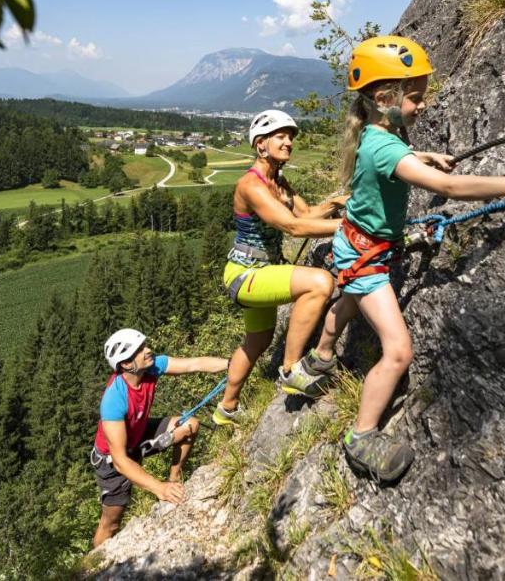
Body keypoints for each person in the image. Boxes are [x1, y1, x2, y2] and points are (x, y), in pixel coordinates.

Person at [311, 36, 505, 484]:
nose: (423, 104)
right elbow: (448, 190)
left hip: (356, 245)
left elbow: (392, 157)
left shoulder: (380, 134)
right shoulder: (385, 147)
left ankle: (321, 354)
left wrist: (423, 156)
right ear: (384, 98)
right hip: (366, 259)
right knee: (398, 351)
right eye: (415, 97)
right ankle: (361, 436)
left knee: (348, 300)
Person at [213, 109, 349, 425]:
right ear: (261, 144)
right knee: (319, 283)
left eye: (291, 137)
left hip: (257, 274)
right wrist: (348, 225)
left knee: (258, 341)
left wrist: (339, 203)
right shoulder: (251, 185)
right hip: (246, 275)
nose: (288, 142)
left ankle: (227, 409)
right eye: (280, 136)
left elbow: (308, 213)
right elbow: (294, 227)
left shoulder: (280, 182)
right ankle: (291, 370)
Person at [90, 328, 228, 548]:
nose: (149, 350)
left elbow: (194, 364)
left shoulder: (152, 367)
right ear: (126, 364)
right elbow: (119, 460)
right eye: (140, 350)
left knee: (189, 425)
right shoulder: (114, 399)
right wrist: (159, 488)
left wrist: (233, 363)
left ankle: (175, 478)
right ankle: (93, 566)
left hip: (138, 436)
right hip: (113, 461)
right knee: (111, 523)